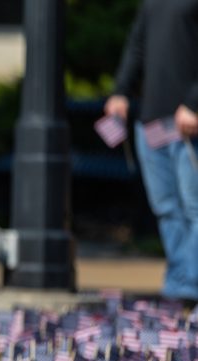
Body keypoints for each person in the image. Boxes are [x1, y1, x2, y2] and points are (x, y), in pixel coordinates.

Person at [105, 0, 198, 305]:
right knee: (167, 209)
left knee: (194, 208)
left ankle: (187, 286)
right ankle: (181, 285)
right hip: (152, 122)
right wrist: (121, 90)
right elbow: (138, 45)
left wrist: (195, 104)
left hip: (188, 123)